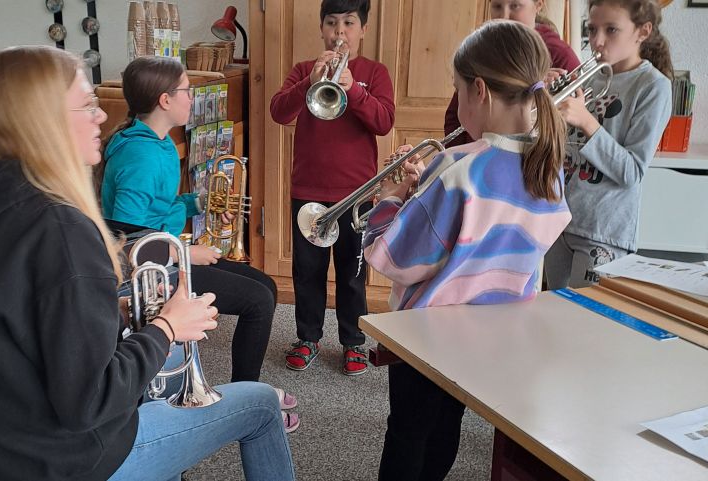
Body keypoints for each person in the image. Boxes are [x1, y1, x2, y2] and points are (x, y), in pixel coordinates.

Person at [0, 46, 295, 481]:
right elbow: (91, 402)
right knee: (260, 404)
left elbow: (23, 322)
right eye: (87, 105)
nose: (102, 116)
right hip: (66, 463)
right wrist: (167, 329)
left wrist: (113, 313)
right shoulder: (60, 229)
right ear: (45, 123)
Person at [362, 21, 572, 480]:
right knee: (446, 427)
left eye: (457, 91)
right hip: (490, 339)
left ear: (479, 91)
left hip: (426, 338)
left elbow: (396, 259)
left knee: (408, 432)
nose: (456, 104)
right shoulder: (548, 169)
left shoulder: (457, 168)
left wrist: (392, 199)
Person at [100, 55, 300, 432]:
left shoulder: (157, 143)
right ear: (164, 100)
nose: (191, 98)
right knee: (257, 301)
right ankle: (249, 398)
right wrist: (185, 252)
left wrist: (198, 203)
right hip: (151, 273)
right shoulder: (140, 154)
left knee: (266, 287)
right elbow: (127, 240)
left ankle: (248, 388)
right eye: (187, 92)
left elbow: (158, 210)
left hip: (170, 254)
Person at [269, 0, 395, 376]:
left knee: (352, 272)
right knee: (307, 270)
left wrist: (353, 90)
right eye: (332, 23)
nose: (340, 32)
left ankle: (353, 341)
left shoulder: (374, 73)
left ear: (363, 29)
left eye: (349, 23)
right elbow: (279, 112)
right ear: (321, 28)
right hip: (308, 189)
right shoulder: (304, 70)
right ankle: (308, 337)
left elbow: (385, 121)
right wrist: (310, 83)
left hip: (357, 193)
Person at [545, 0, 673, 289]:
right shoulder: (590, 78)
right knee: (553, 316)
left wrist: (587, 121)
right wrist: (545, 97)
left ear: (643, 31)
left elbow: (631, 172)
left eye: (611, 30)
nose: (597, 41)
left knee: (587, 321)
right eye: (592, 29)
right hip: (561, 220)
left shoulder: (653, 87)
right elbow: (560, 146)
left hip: (603, 231)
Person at [444, 0, 580, 148]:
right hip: (476, 157)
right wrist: (457, 159)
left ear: (538, 5)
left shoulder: (560, 54)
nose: (504, 16)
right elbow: (454, 118)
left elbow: (576, 123)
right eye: (497, 6)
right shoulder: (484, 48)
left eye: (515, 6)